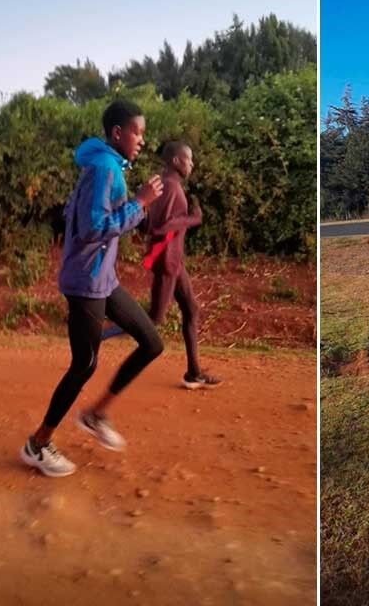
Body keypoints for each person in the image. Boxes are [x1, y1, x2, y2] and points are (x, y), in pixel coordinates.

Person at [20, 99, 166, 478]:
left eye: (143, 134)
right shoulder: (103, 168)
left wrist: (138, 205)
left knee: (151, 342)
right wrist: (139, 203)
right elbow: (92, 228)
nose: (141, 141)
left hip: (103, 279)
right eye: (138, 132)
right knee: (84, 364)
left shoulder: (109, 165)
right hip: (85, 283)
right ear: (118, 133)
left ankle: (96, 414)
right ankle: (37, 444)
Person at [102, 141, 221, 389]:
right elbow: (158, 228)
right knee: (154, 318)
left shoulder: (166, 184)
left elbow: (147, 224)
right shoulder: (170, 186)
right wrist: (193, 219)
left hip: (173, 261)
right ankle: (97, 335)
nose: (192, 164)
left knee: (191, 310)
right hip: (167, 262)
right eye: (188, 159)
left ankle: (194, 373)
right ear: (176, 161)